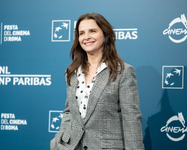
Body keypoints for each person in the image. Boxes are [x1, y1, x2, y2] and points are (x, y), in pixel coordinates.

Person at [50, 13, 144, 150]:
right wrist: (59, 141)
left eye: (92, 31)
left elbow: (131, 120)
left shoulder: (123, 71)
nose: (86, 37)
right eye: (81, 33)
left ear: (105, 35)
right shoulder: (72, 71)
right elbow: (69, 111)